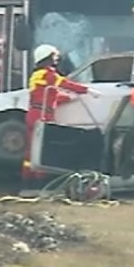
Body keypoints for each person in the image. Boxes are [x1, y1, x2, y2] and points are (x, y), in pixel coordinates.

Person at [22, 44, 99, 196]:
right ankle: (39, 184)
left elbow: (49, 95)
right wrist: (87, 90)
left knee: (31, 151)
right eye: (54, 56)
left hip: (35, 113)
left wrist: (67, 99)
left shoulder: (38, 75)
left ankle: (27, 181)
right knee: (41, 151)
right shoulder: (48, 74)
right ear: (47, 58)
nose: (56, 59)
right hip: (42, 115)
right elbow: (64, 84)